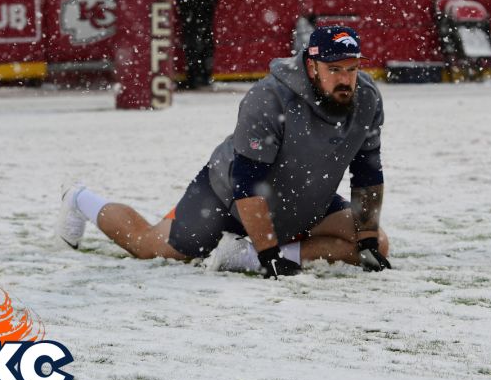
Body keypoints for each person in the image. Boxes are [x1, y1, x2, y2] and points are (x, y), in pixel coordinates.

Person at [56, 25, 392, 277]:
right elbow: (247, 183)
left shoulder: (367, 98)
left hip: (302, 197)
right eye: (334, 70)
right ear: (311, 66)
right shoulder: (269, 98)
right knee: (148, 245)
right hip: (227, 196)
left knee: (374, 243)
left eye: (352, 68)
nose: (345, 79)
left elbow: (367, 173)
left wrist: (365, 240)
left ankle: (241, 255)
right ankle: (80, 198)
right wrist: (267, 252)